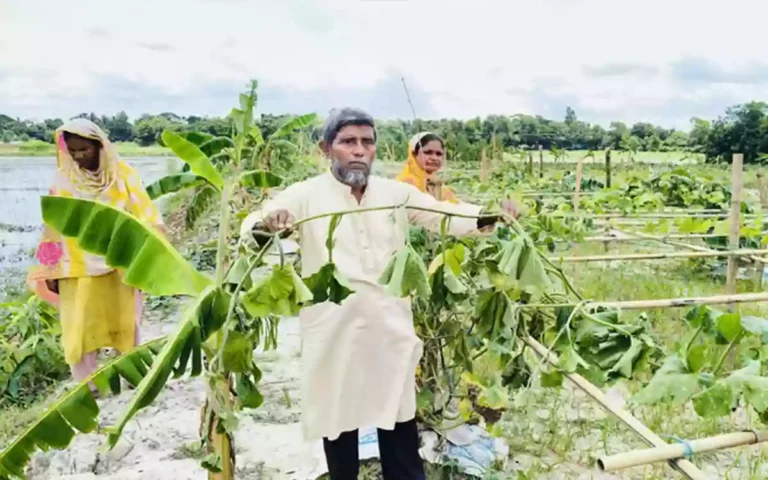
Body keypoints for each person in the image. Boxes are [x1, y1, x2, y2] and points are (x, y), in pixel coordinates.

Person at [240, 108, 519, 479]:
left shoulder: (395, 194)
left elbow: (443, 215)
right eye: (348, 142)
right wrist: (267, 224)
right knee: (338, 423)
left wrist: (490, 215)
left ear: (375, 149)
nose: (359, 150)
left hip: (389, 326)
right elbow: (257, 222)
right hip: (334, 329)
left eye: (367, 142)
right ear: (327, 148)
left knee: (398, 419)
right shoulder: (305, 194)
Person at [27, 119, 164, 393]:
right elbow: (53, 227)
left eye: (84, 150)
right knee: (78, 328)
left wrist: (150, 254)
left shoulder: (123, 175)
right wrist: (50, 269)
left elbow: (146, 215)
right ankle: (87, 387)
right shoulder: (64, 179)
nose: (79, 157)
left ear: (100, 147)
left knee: (126, 323)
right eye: (73, 151)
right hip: (77, 266)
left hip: (120, 262)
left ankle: (130, 374)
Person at [396, 131, 459, 203]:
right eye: (427, 152)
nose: (434, 158)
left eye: (439, 154)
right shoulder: (406, 185)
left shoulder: (441, 187)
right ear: (413, 154)